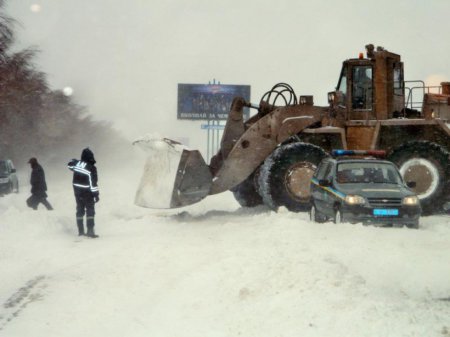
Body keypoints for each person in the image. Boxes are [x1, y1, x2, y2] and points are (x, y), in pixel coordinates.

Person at [68, 148, 100, 238]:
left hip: (77, 192)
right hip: (87, 193)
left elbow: (69, 164)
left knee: (79, 211)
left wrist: (75, 160)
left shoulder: (76, 164)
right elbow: (93, 183)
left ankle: (80, 231)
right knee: (90, 211)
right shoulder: (92, 168)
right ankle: (90, 231)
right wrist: (96, 195)